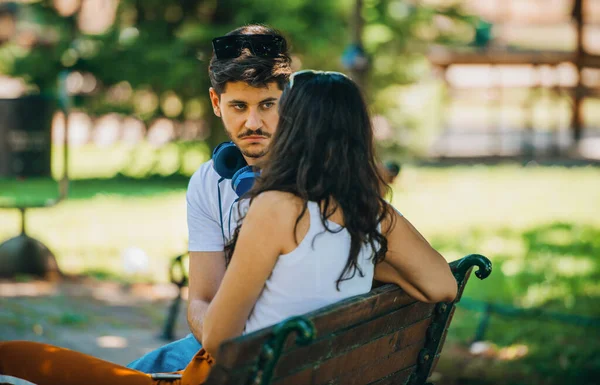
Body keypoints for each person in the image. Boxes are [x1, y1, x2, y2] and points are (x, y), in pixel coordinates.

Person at [0, 70, 458, 385]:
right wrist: (376, 268)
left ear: (296, 126)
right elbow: (443, 286)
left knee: (19, 355)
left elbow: (219, 338)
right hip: (324, 370)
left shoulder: (278, 208)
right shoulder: (372, 213)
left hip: (236, 376)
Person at [126, 24, 294, 373]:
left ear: (289, 102)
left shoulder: (323, 177)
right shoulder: (208, 181)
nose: (252, 122)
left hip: (286, 355)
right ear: (216, 103)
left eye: (267, 104)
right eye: (238, 106)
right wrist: (223, 346)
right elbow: (201, 300)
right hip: (225, 347)